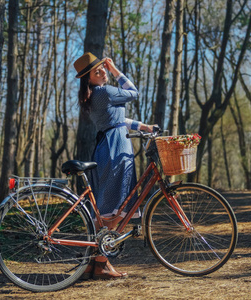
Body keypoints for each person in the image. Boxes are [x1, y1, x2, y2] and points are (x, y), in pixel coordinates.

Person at [73, 52, 156, 279]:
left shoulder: (96, 95)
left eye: (103, 69)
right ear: (88, 78)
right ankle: (101, 263)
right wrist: (115, 71)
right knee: (115, 206)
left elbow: (119, 120)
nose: (102, 73)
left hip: (109, 144)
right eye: (97, 71)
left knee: (109, 206)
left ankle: (93, 262)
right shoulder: (104, 91)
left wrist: (144, 127)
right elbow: (134, 93)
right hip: (115, 147)